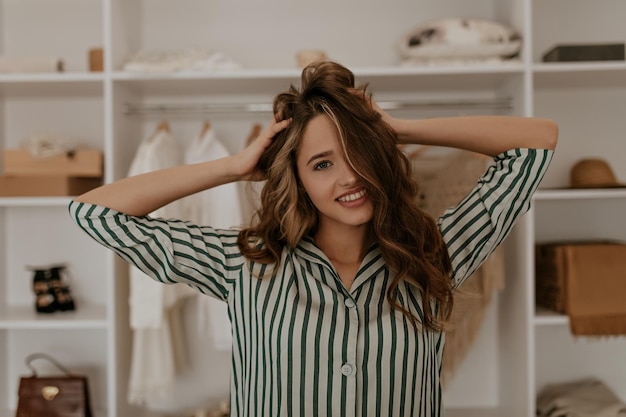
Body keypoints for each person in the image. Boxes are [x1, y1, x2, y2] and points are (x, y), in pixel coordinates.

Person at [69, 61, 557, 416]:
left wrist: (391, 129)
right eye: (322, 164)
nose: (349, 177)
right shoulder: (245, 262)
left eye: (359, 153)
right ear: (298, 179)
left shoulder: (436, 255)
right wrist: (235, 167)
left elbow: (537, 141)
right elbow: (94, 212)